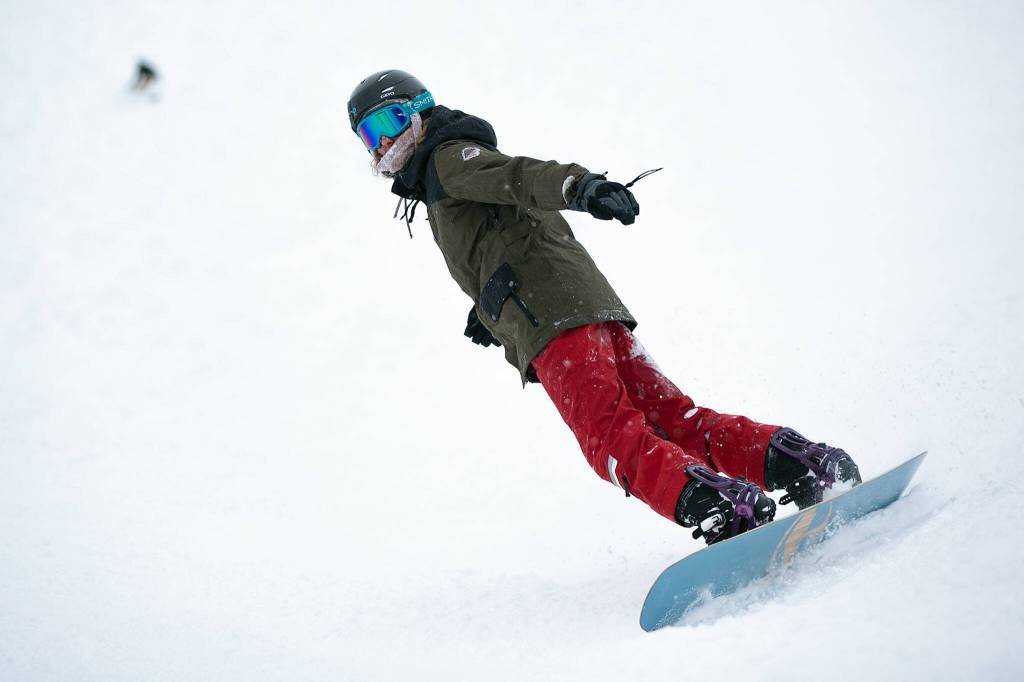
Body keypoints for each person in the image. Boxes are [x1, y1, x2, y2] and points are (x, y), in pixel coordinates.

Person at [346, 70, 862, 544]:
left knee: (610, 440)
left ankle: (721, 508)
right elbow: (507, 239)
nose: (383, 142)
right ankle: (804, 465)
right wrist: (488, 309)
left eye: (389, 122)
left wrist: (579, 186)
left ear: (419, 110)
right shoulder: (443, 177)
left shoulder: (446, 160)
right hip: (585, 308)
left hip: (553, 322)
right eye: (369, 135)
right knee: (671, 419)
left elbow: (519, 175)